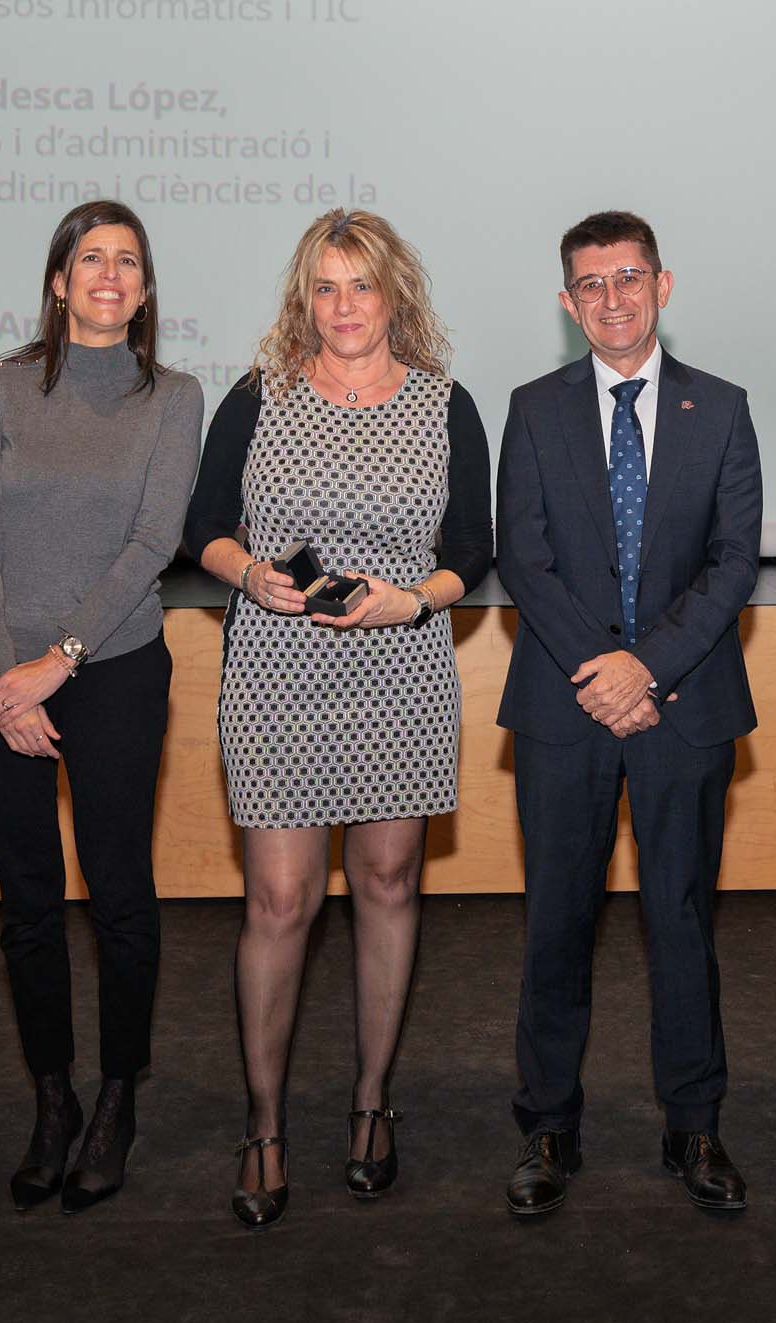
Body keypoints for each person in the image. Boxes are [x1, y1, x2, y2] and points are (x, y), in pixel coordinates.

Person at [184, 208, 492, 1230]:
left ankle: (370, 1103)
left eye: (361, 284)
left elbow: (473, 545)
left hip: (400, 668)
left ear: (395, 294)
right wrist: (250, 574)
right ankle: (264, 1124)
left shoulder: (445, 403)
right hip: (276, 670)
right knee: (279, 902)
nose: (344, 305)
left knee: (389, 885)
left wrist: (417, 600)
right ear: (302, 299)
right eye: (325, 286)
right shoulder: (257, 394)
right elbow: (201, 527)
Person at [496, 210, 762, 1215]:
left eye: (629, 278)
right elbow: (524, 558)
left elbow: (733, 561)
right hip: (564, 710)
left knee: (681, 920)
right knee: (555, 922)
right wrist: (602, 676)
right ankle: (546, 1127)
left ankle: (694, 1124)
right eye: (591, 284)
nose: (612, 298)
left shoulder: (721, 408)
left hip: (682, 708)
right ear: (568, 302)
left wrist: (644, 670)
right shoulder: (533, 409)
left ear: (663, 285)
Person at [0, 199, 204, 1215]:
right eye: (90, 258)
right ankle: (52, 1099)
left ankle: (116, 1099)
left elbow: (153, 544)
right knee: (28, 899)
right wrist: (3, 675)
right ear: (59, 282)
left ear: (143, 290)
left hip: (115, 669)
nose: (108, 274)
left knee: (121, 893)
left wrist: (58, 661)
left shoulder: (172, 398)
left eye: (127, 261)